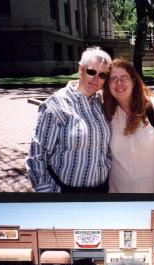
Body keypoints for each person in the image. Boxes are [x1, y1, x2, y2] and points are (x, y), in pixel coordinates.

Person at [26, 47, 112, 193]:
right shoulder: (55, 105)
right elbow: (36, 156)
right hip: (67, 191)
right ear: (80, 70)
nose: (96, 79)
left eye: (103, 75)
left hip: (102, 190)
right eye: (91, 72)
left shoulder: (101, 103)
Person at [103, 59, 154, 193]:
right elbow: (86, 88)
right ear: (108, 85)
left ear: (134, 81)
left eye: (124, 77)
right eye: (113, 79)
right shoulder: (106, 112)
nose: (119, 83)